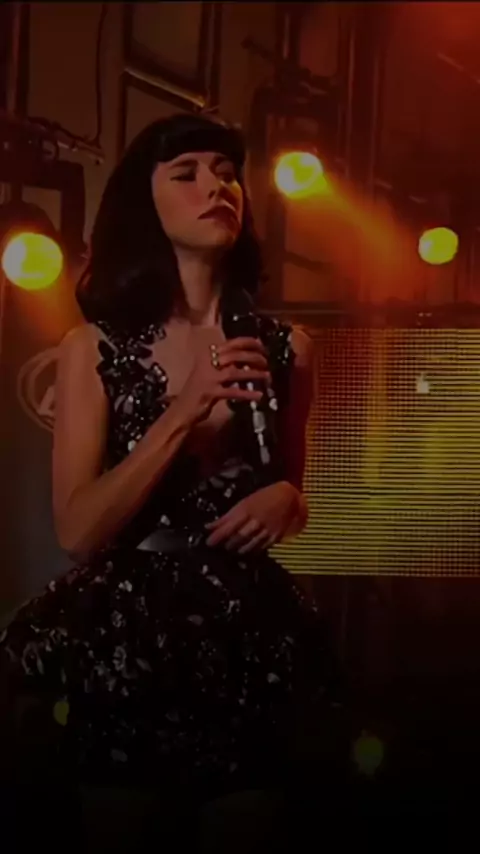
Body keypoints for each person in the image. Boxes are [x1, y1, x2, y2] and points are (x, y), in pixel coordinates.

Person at [0, 113, 345, 847]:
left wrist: (290, 498)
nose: (216, 187)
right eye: (186, 173)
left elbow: (292, 489)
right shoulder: (93, 347)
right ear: (143, 201)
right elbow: (77, 529)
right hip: (131, 636)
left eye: (226, 173)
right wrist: (182, 414)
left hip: (245, 632)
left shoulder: (287, 346)